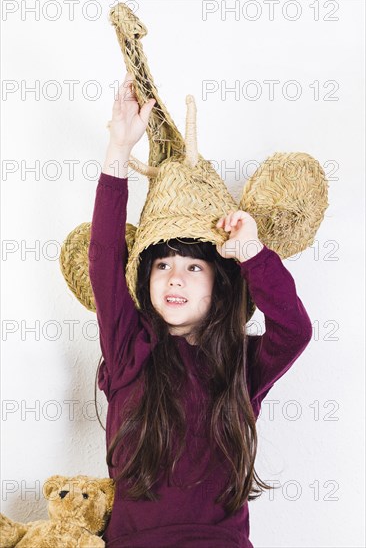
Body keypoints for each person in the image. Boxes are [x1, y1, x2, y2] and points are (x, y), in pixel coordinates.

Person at [88, 73, 313, 547]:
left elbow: (294, 330)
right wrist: (118, 151)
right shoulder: (130, 349)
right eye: (163, 264)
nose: (174, 277)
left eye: (195, 268)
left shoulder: (240, 364)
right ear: (145, 278)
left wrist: (251, 252)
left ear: (220, 283)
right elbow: (105, 257)